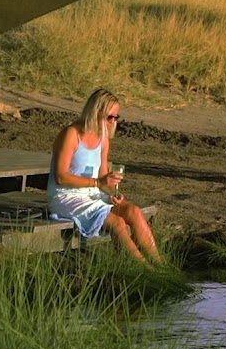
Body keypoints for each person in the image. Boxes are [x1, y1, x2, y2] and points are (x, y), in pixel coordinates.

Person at [48, 88, 161, 262]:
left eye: (117, 117)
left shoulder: (103, 138)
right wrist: (98, 182)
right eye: (110, 117)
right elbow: (61, 177)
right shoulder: (71, 134)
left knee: (133, 210)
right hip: (67, 196)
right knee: (117, 223)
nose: (113, 121)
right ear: (96, 112)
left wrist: (113, 192)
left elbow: (102, 177)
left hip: (92, 193)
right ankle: (146, 271)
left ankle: (160, 265)